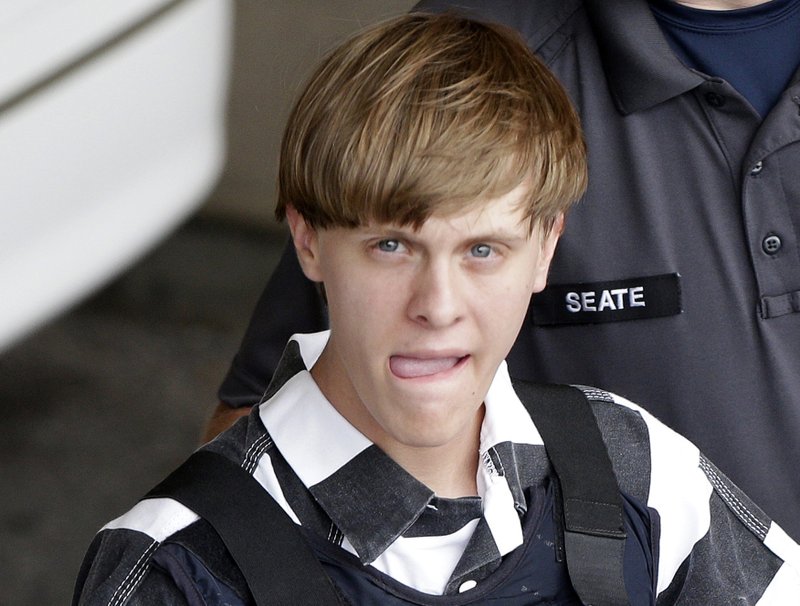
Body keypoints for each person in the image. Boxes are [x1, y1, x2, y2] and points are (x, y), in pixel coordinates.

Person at [75, 13, 799, 605]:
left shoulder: (635, 467)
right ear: (308, 241)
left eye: (483, 250)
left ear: (547, 248)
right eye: (392, 245)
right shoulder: (177, 569)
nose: (438, 306)